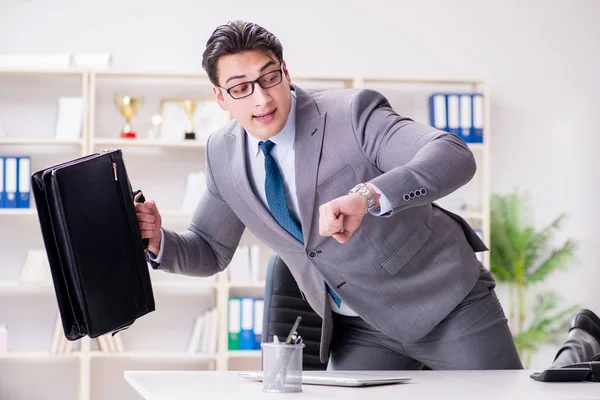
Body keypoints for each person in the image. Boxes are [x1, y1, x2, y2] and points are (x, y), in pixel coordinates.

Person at [135, 20, 523, 370]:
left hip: (444, 300)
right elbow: (208, 249)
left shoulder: (350, 113)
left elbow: (451, 155)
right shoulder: (222, 154)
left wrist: (368, 196)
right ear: (220, 97)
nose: (262, 99)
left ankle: (577, 347)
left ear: (286, 72)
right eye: (241, 88)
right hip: (361, 327)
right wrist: (158, 241)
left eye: (269, 78)